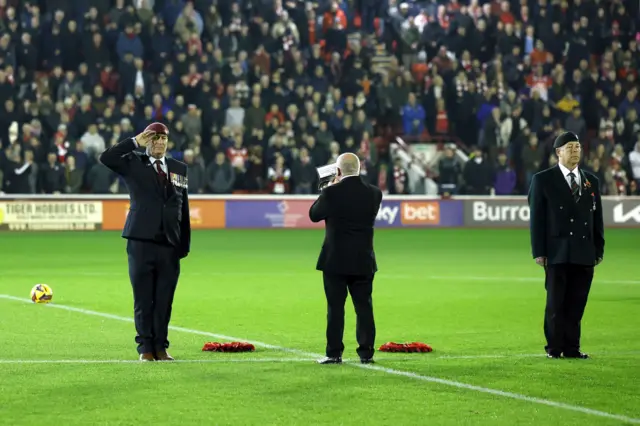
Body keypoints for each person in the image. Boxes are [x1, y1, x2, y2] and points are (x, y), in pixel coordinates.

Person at [99, 127, 191, 362]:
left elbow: (183, 209)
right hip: (140, 242)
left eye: (163, 138)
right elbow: (106, 157)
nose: (159, 142)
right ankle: (145, 349)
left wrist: (184, 244)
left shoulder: (179, 168)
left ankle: (161, 347)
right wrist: (135, 141)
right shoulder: (133, 162)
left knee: (164, 300)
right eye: (154, 137)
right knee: (143, 299)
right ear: (147, 140)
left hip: (170, 245)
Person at [528, 131, 605, 359]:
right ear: (558, 152)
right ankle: (554, 347)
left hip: (583, 251)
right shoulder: (543, 179)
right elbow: (537, 220)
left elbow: (597, 218)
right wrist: (539, 251)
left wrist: (598, 249)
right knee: (555, 303)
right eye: (570, 147)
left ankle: (572, 348)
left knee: (577, 302)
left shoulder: (592, 181)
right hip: (557, 251)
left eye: (578, 147)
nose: (575, 151)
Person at [309, 153, 383, 364]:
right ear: (359, 169)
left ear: (338, 171)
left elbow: (314, 215)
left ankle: (334, 353)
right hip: (363, 259)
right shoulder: (375, 194)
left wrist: (325, 190)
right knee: (364, 307)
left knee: (335, 308)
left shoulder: (331, 193)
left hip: (335, 261)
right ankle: (366, 353)